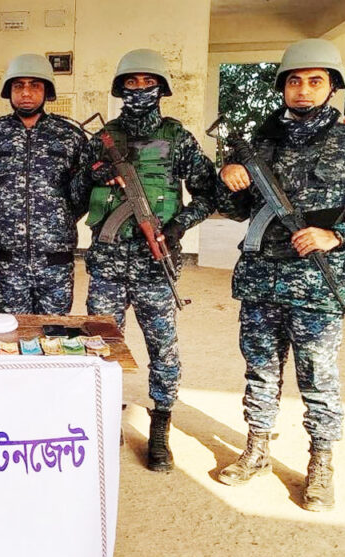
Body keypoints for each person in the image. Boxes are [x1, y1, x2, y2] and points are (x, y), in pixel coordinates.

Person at [216, 39, 345, 511]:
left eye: (315, 81)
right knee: (260, 369)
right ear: (283, 87)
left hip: (317, 284)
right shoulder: (261, 143)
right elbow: (237, 209)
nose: (303, 90)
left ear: (332, 87)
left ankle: (321, 461)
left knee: (317, 377)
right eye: (294, 81)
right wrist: (231, 177)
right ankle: (257, 449)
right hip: (261, 278)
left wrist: (337, 235)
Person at [70, 49, 217, 472]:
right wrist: (92, 175)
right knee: (100, 346)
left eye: (147, 82)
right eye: (131, 83)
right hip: (108, 261)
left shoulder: (177, 138)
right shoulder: (102, 138)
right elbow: (74, 197)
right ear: (120, 89)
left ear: (161, 89)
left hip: (156, 263)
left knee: (162, 348)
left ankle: (160, 425)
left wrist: (179, 225)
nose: (139, 90)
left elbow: (209, 193)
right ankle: (104, 418)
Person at [0, 53, 88, 315]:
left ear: (46, 91)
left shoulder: (69, 136)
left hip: (55, 257)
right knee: (12, 328)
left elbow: (82, 191)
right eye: (19, 86)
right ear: (9, 91)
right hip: (9, 257)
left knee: (55, 329)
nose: (26, 93)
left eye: (34, 85)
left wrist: (61, 218)